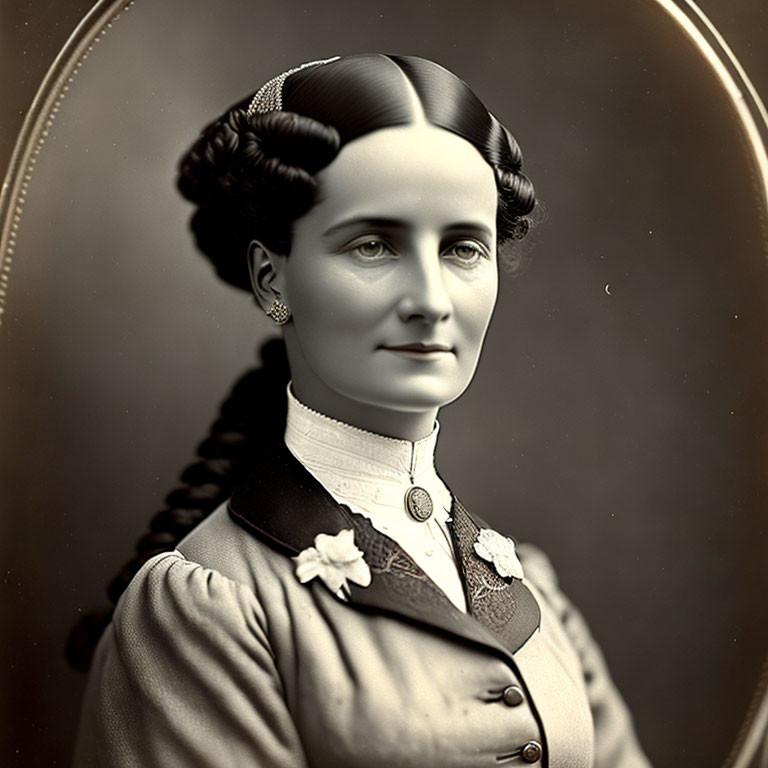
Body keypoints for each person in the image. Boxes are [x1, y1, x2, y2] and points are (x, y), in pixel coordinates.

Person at [72, 53, 652, 767]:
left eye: (464, 248)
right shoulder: (211, 606)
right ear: (271, 277)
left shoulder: (534, 597)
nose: (431, 300)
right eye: (374, 245)